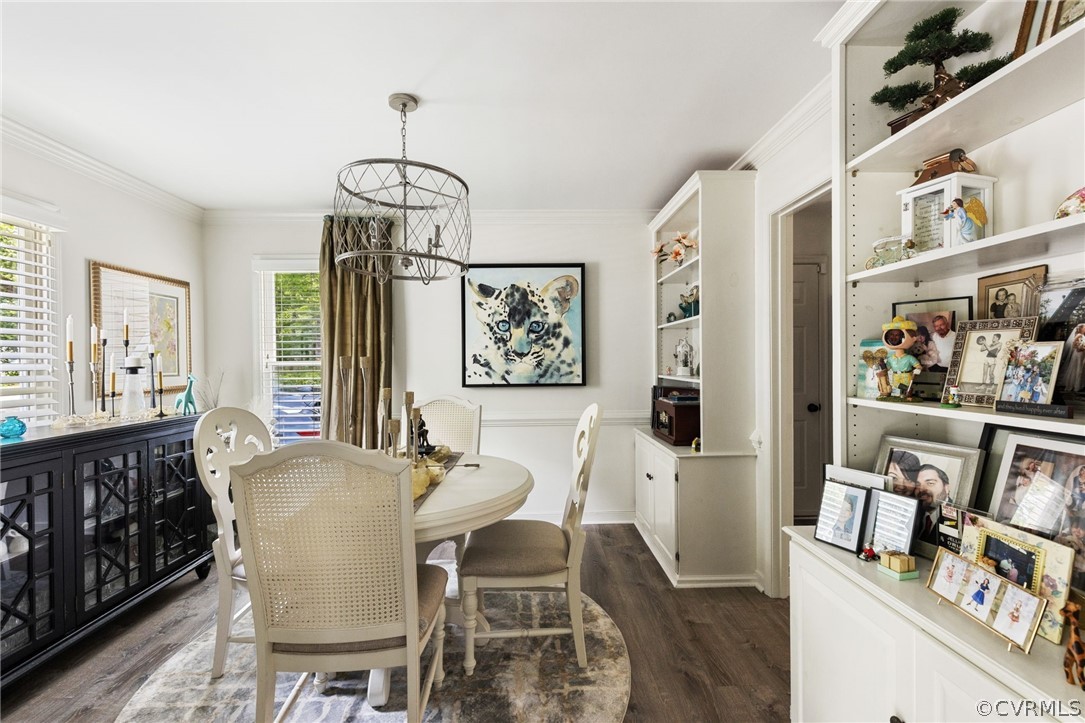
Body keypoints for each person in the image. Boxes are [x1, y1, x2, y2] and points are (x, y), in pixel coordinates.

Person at [916, 463, 951, 543]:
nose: (922, 489)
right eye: (918, 485)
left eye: (930, 483)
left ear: (946, 488)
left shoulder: (958, 519)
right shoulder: (917, 511)